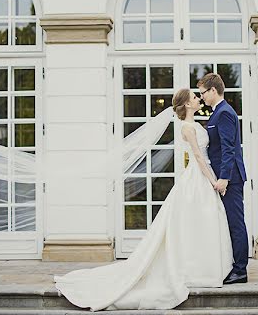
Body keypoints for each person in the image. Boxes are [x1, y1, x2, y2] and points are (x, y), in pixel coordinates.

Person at [54, 89, 232, 311]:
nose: (198, 99)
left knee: (200, 222)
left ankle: (204, 266)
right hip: (198, 176)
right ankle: (196, 269)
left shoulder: (195, 124)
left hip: (200, 175)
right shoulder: (187, 127)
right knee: (197, 220)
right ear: (187, 104)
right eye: (195, 97)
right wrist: (213, 180)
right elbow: (197, 156)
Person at [198, 72, 249, 285]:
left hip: (230, 179)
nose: (201, 97)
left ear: (213, 90)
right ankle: (233, 265)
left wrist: (225, 179)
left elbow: (229, 149)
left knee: (236, 223)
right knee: (227, 222)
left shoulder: (225, 113)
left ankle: (240, 270)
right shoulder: (216, 112)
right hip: (222, 177)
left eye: (203, 93)